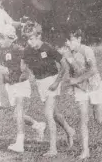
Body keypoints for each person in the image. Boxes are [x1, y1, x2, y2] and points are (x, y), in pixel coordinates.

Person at [0, 28, 46, 153]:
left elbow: (26, 71)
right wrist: (1, 67)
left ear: (11, 38)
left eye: (3, 38)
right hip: (10, 86)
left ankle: (19, 144)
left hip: (21, 84)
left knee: (18, 113)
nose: (0, 41)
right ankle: (39, 125)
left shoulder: (18, 50)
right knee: (17, 116)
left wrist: (16, 74)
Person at [21, 22, 76, 157]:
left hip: (52, 81)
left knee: (48, 114)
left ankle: (53, 149)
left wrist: (57, 82)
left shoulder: (48, 48)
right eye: (27, 39)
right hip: (40, 84)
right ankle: (69, 130)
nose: (29, 42)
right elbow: (24, 63)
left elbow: (64, 66)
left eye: (32, 38)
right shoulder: (28, 50)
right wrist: (30, 74)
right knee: (55, 114)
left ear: (39, 36)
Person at [61, 29, 102, 159]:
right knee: (83, 120)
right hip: (80, 89)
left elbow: (93, 69)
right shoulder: (67, 54)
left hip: (95, 86)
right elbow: (68, 72)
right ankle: (86, 150)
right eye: (67, 41)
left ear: (79, 39)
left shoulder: (87, 50)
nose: (68, 43)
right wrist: (69, 83)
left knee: (99, 119)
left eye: (71, 40)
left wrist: (77, 79)